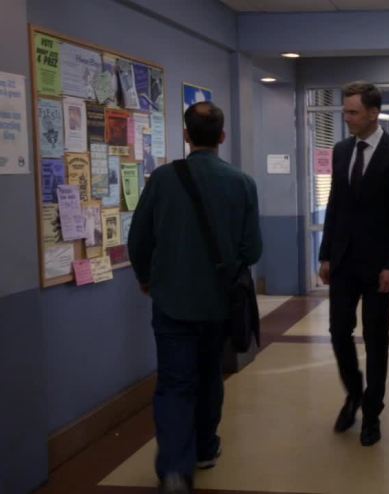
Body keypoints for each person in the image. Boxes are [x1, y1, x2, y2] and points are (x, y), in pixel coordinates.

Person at [128, 102, 262, 494]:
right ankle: (205, 448)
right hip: (219, 304)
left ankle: (174, 469)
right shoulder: (242, 183)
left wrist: (146, 278)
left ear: (186, 135)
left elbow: (138, 239)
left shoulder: (162, 180)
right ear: (222, 136)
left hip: (171, 302)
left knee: (174, 383)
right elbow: (252, 249)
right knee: (209, 375)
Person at [318, 81, 389, 446]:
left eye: (353, 112)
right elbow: (335, 205)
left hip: (379, 266)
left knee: (376, 339)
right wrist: (325, 254)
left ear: (374, 113)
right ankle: (354, 392)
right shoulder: (342, 150)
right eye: (345, 111)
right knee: (337, 331)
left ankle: (372, 411)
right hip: (344, 262)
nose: (346, 118)